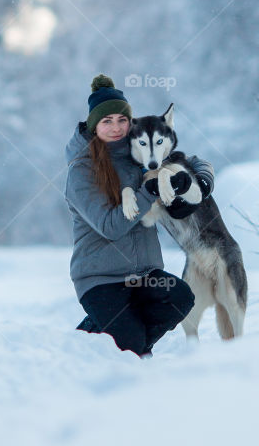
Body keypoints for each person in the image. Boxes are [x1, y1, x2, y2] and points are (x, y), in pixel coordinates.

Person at [64, 73, 214, 357]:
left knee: (180, 298)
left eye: (122, 120)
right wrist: (151, 190)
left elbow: (191, 161)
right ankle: (92, 342)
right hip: (100, 279)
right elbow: (110, 227)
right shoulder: (81, 171)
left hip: (145, 274)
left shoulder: (141, 153)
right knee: (132, 348)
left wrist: (200, 181)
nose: (116, 127)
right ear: (95, 125)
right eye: (107, 121)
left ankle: (114, 333)